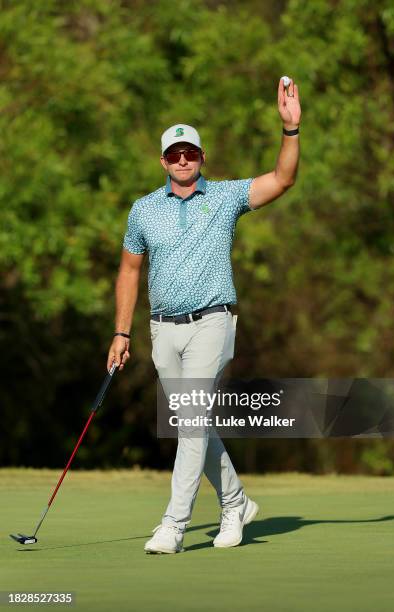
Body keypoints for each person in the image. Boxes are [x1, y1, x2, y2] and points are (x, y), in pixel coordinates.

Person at [107, 77, 301, 553]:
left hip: (212, 321)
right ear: (163, 161)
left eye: (190, 152)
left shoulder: (226, 197)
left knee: (190, 420)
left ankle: (173, 524)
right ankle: (235, 502)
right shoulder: (144, 210)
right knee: (191, 424)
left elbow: (282, 179)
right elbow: (129, 271)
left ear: (202, 157)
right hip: (161, 330)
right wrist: (121, 331)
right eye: (174, 154)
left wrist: (290, 131)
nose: (182, 160)